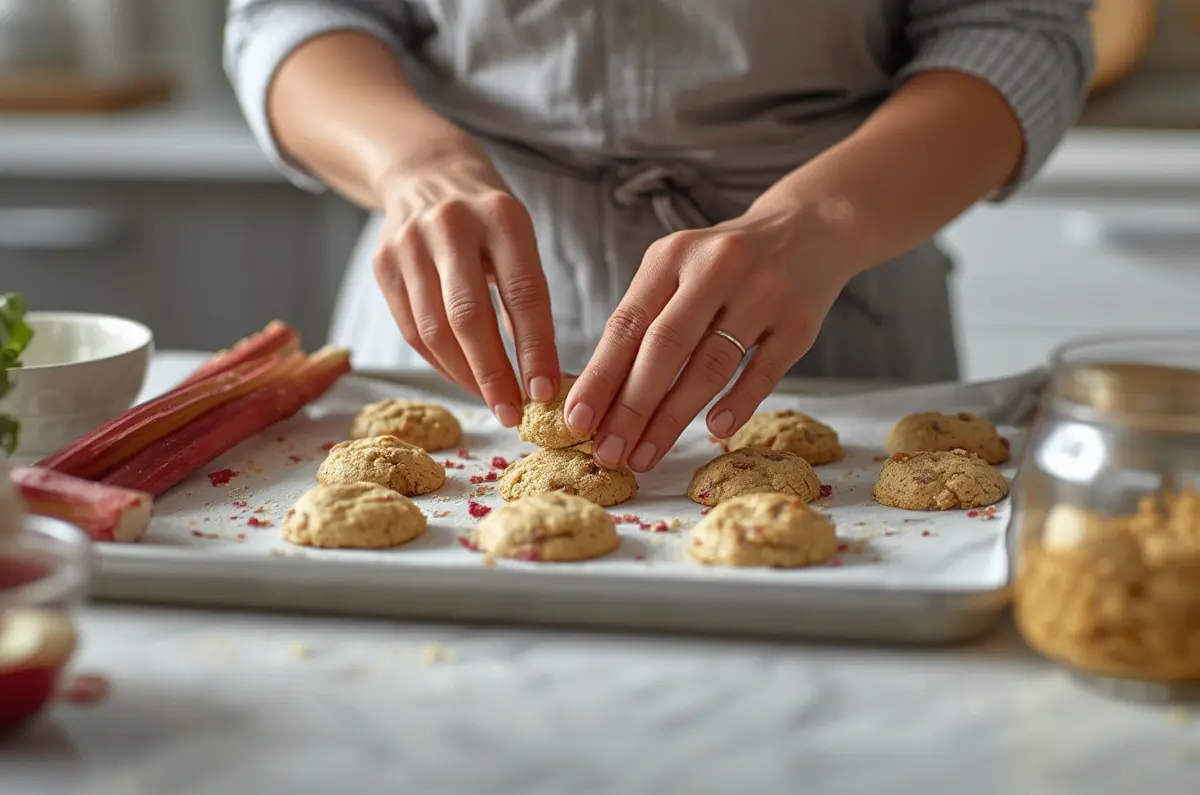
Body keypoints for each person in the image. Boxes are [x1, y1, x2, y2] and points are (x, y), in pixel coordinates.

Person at [225, 0, 1094, 473]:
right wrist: (411, 163)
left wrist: (826, 218)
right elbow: (288, 12)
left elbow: (1020, 29)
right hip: (462, 299)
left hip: (834, 306)